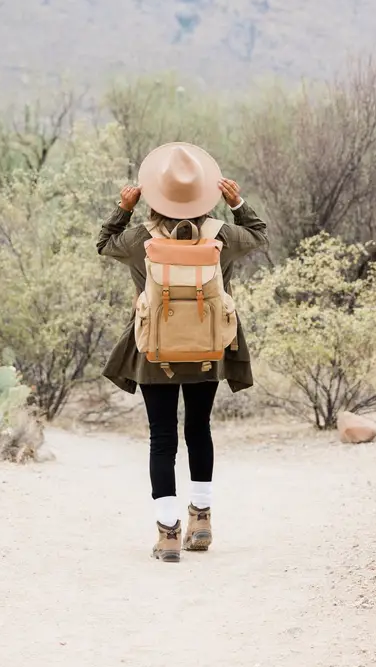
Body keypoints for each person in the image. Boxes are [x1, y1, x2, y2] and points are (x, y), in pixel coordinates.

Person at [99, 141, 268, 562]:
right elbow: (259, 235)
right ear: (205, 194)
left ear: (155, 195)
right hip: (208, 349)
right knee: (199, 430)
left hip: (154, 351)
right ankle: (202, 520)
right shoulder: (221, 236)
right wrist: (238, 203)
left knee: (162, 438)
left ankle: (169, 533)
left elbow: (104, 242)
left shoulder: (140, 238)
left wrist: (123, 209)